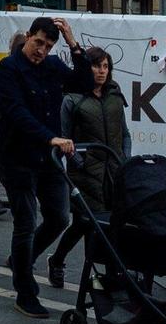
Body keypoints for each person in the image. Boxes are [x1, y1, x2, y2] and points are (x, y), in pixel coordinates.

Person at [0, 16, 80, 318]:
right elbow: (15, 112)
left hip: (49, 159)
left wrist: (72, 42)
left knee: (59, 217)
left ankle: (21, 258)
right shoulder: (8, 69)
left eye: (49, 45)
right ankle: (25, 291)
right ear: (28, 36)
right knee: (26, 222)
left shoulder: (53, 66)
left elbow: (81, 82)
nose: (41, 50)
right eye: (38, 42)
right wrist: (50, 138)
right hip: (17, 158)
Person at [50, 46, 132, 288]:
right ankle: (88, 273)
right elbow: (63, 138)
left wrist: (124, 160)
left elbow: (125, 134)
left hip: (113, 172)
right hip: (84, 174)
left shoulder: (115, 95)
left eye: (106, 66)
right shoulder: (72, 99)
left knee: (106, 224)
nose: (102, 71)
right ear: (87, 68)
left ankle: (105, 274)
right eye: (97, 66)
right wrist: (80, 163)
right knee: (88, 223)